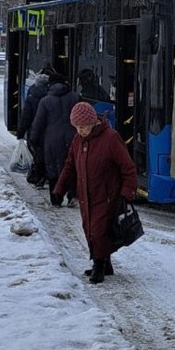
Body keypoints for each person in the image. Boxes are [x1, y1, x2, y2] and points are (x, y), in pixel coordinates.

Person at [54, 101, 137, 285]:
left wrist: (127, 192)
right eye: (76, 127)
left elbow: (128, 168)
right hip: (86, 195)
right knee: (90, 229)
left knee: (99, 231)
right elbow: (69, 166)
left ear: (92, 122)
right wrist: (59, 189)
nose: (80, 131)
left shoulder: (110, 138)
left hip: (107, 195)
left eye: (83, 127)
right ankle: (106, 264)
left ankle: (98, 266)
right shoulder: (78, 141)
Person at [27, 70, 79, 205]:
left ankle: (56, 198)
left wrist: (33, 139)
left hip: (52, 138)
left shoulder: (45, 101)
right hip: (72, 136)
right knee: (71, 166)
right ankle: (72, 196)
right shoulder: (75, 97)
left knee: (52, 167)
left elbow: (38, 122)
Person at [16, 63, 53, 186]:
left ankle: (39, 176)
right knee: (48, 154)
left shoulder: (32, 94)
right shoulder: (51, 95)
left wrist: (21, 132)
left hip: (35, 130)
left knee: (38, 155)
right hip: (49, 130)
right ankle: (47, 175)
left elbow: (26, 116)